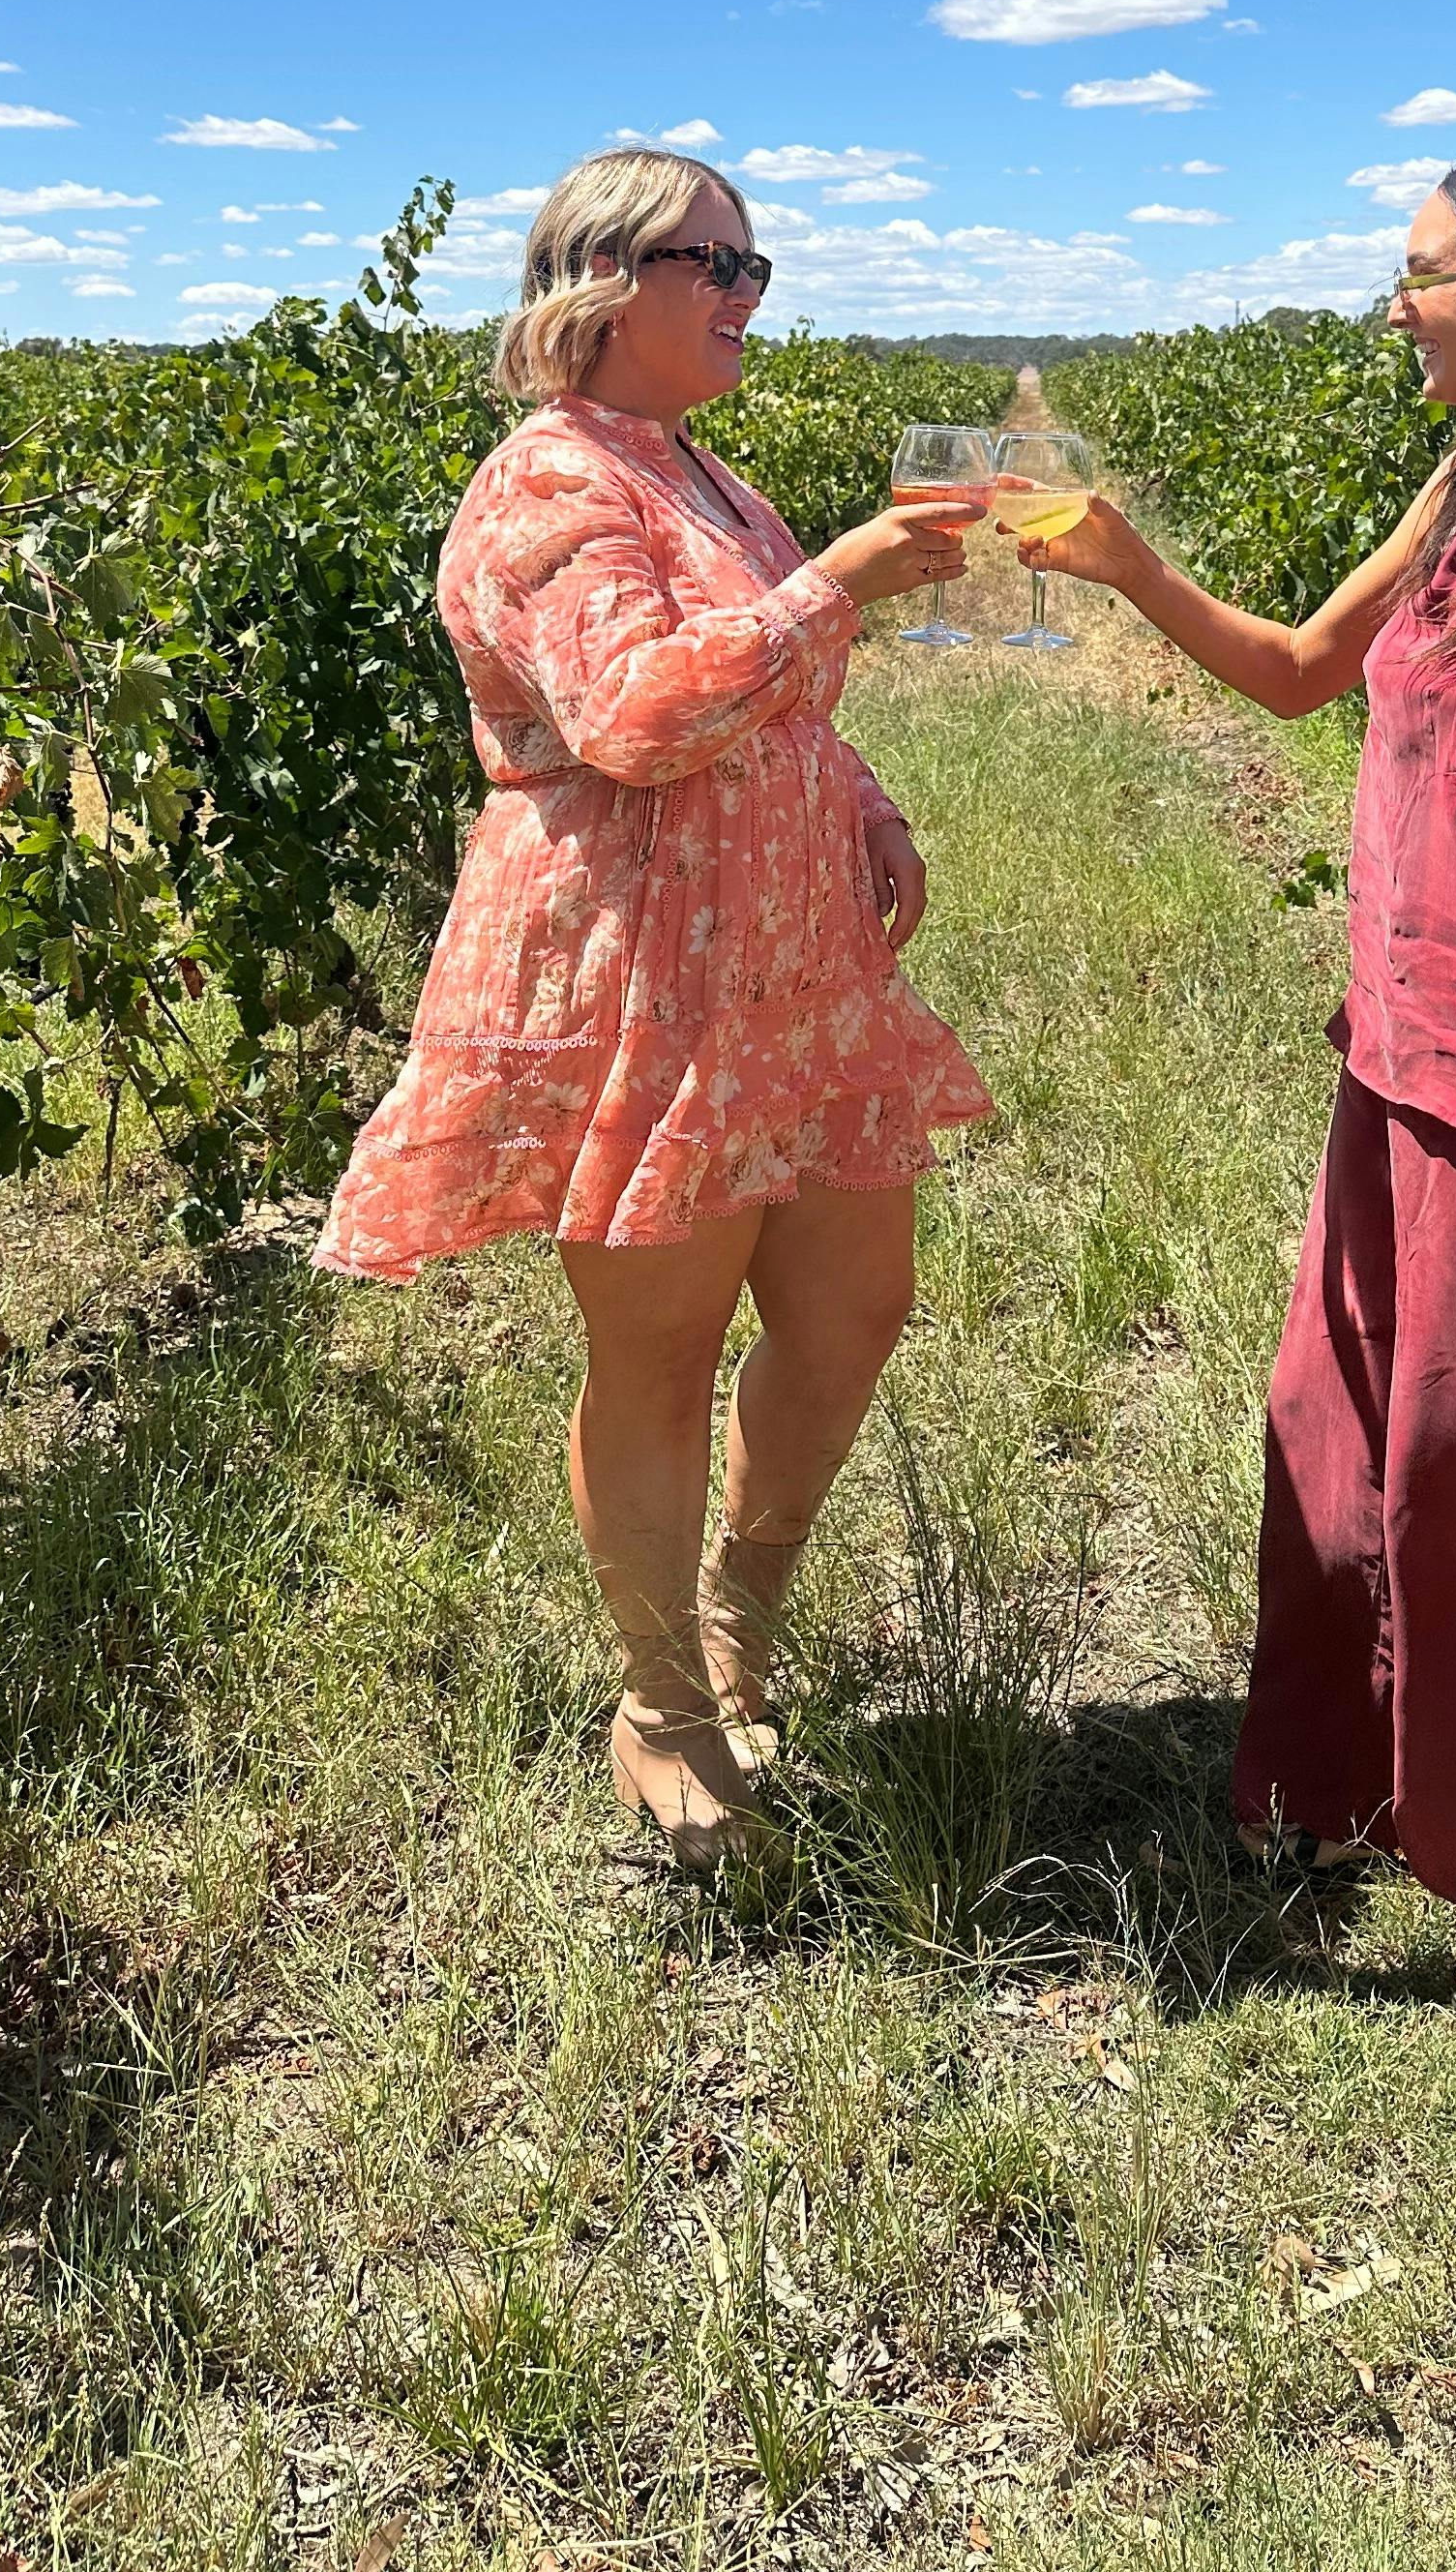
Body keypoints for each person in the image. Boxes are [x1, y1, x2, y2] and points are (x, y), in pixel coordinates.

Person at [1016, 147, 1456, 2032]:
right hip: (1396, 1066)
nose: (1392, 304)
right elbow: (1293, 675)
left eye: (1420, 275)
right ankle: (1344, 1800)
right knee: (1340, 1452)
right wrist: (1121, 561)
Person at [316, 148, 994, 1865]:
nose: (750, 299)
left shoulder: (702, 474)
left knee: (854, 1308)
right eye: (720, 266)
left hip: (793, 972)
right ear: (598, 285)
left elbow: (773, 696)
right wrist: (841, 579)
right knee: (663, 1349)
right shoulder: (548, 486)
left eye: (757, 270)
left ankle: (739, 1612)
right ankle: (663, 1708)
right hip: (649, 983)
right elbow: (629, 712)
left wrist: (861, 800)